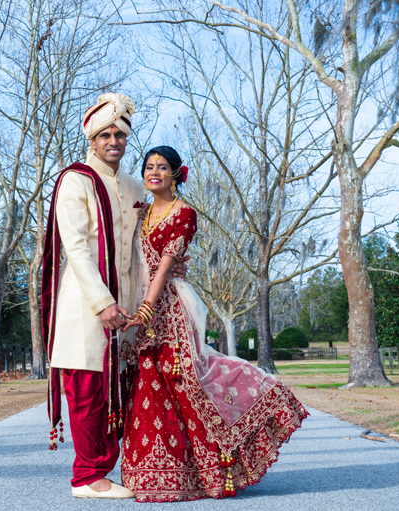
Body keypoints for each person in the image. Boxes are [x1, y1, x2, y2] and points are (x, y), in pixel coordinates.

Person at [119, 146, 309, 502]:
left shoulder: (184, 213)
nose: (153, 173)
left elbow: (166, 265)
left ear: (176, 174)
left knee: (186, 378)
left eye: (162, 167)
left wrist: (147, 309)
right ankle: (154, 475)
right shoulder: (140, 212)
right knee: (147, 382)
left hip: (169, 308)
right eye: (148, 167)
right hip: (138, 306)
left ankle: (212, 468)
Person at [40, 94, 187, 499]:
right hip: (85, 302)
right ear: (92, 139)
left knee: (118, 389)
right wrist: (102, 303)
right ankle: (88, 477)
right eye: (105, 134)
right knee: (87, 386)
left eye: (120, 134)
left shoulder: (133, 185)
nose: (114, 141)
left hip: (127, 302)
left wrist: (171, 262)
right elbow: (76, 247)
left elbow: (146, 240)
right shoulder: (76, 179)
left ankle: (107, 469)